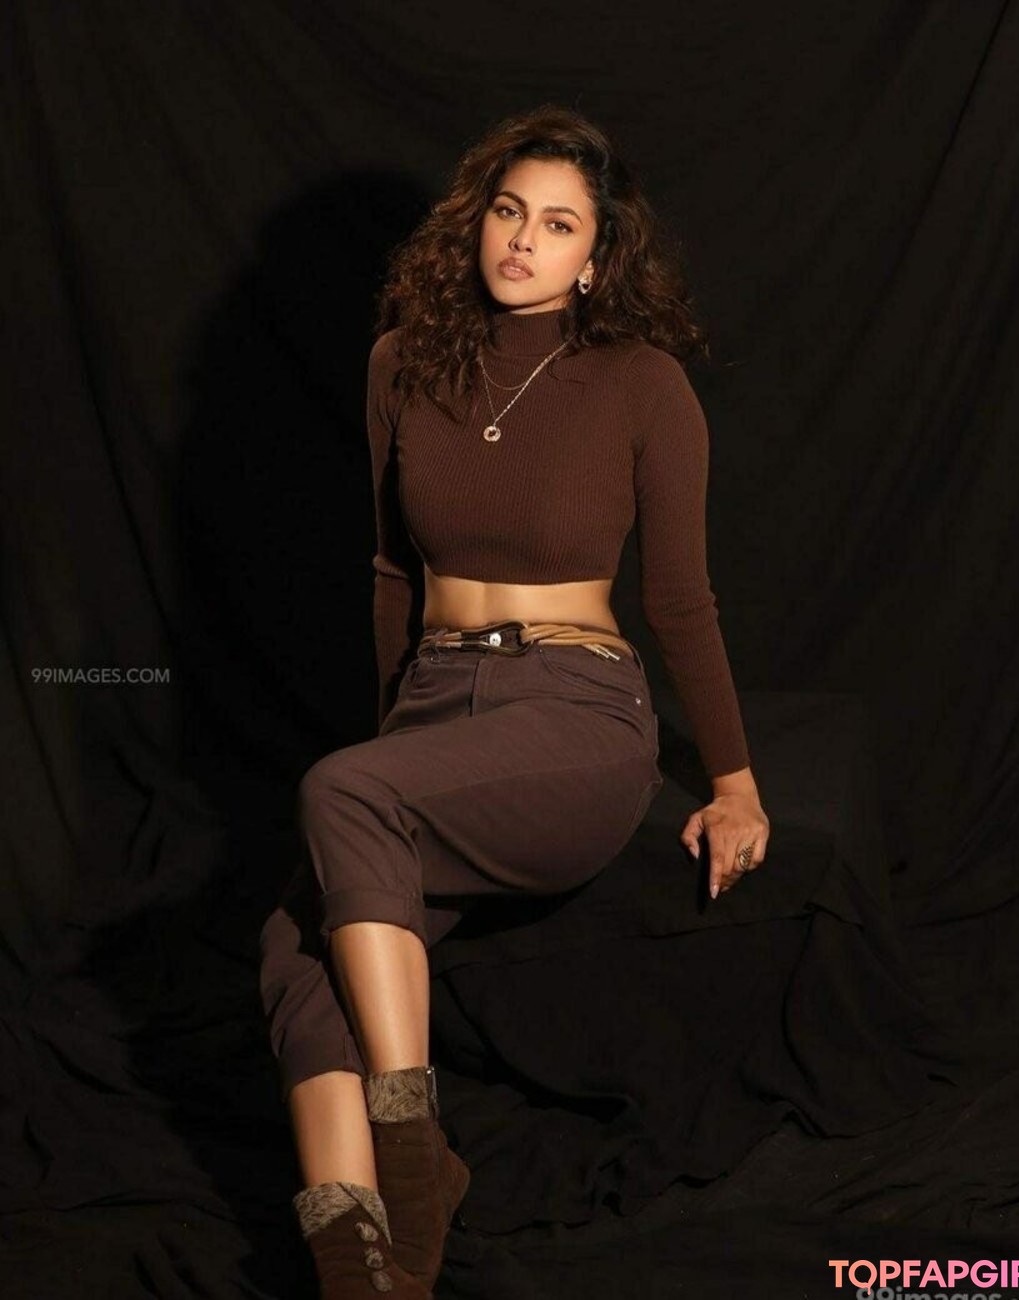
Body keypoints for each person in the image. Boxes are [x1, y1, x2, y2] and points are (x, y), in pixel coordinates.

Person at [259, 104, 770, 1299]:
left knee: (341, 795)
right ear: (475, 220)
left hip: (575, 706)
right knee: (290, 947)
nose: (523, 241)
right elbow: (391, 574)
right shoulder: (401, 362)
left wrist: (735, 781)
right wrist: (394, 757)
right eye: (507, 211)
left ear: (597, 255)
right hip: (436, 701)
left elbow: (680, 600)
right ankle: (359, 1264)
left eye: (558, 224)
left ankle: (410, 1154)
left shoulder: (643, 385)